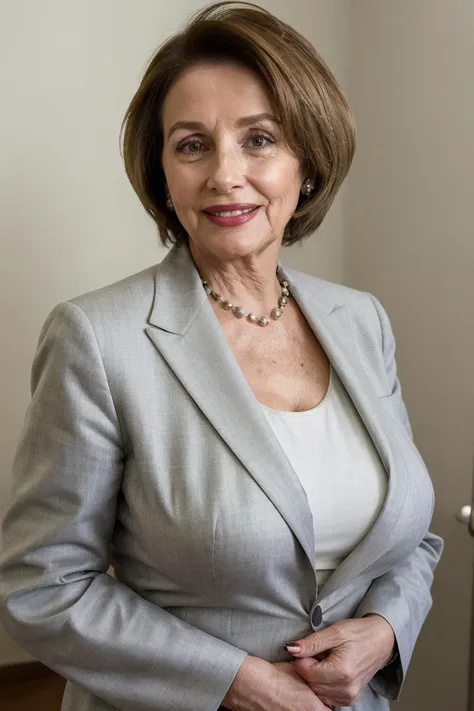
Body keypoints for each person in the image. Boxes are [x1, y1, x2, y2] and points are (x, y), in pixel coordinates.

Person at [0, 3, 443, 710]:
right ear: (163, 172)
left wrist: (388, 627)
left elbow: (410, 537)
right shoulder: (97, 337)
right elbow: (42, 584)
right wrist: (239, 682)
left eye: (259, 139)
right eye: (192, 145)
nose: (224, 174)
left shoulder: (362, 321)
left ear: (309, 160)